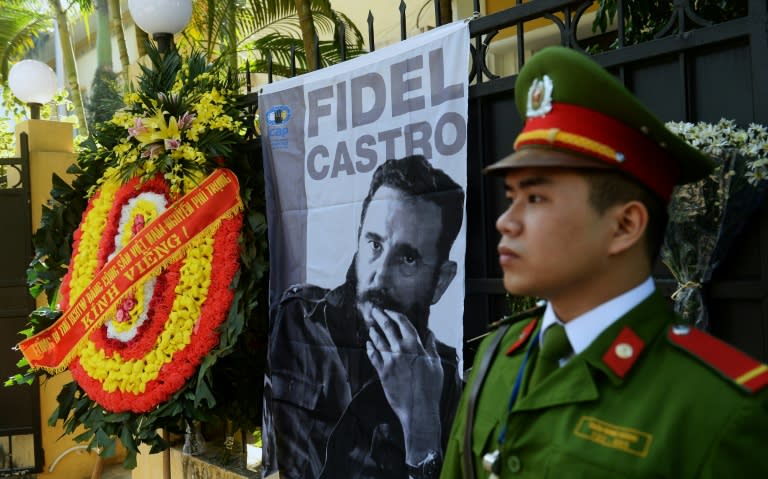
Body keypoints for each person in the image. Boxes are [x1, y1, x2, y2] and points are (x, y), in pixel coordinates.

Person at [441, 46, 768, 479]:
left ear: (625, 225)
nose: (506, 221)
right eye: (511, 197)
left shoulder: (716, 407)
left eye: (535, 198)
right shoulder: (494, 357)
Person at [267, 154, 465, 479]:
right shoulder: (298, 320)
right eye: (374, 244)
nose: (380, 277)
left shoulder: (442, 384)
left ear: (440, 281)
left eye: (408, 258)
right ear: (358, 239)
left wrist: (422, 429)